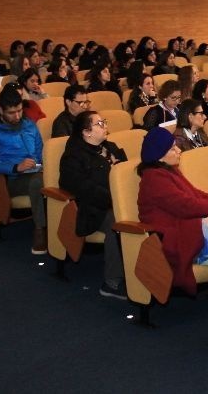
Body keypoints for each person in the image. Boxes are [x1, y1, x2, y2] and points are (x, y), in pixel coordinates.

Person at [138, 128, 208, 296]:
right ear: (159, 155)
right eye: (173, 148)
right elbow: (185, 206)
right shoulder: (154, 178)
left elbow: (194, 193)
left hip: (182, 223)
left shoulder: (168, 170)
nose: (179, 150)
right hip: (170, 233)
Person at [59, 111, 127, 299]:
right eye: (99, 123)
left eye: (103, 122)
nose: (105, 126)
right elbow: (81, 187)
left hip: (117, 201)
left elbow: (126, 172)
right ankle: (112, 281)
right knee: (118, 222)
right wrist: (113, 198)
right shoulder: (74, 156)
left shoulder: (110, 147)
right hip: (92, 209)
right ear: (86, 132)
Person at [0, 83, 47, 254]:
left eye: (19, 111)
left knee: (54, 178)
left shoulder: (29, 124)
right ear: (0, 111)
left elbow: (40, 150)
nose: (17, 116)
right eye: (11, 112)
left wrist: (41, 164)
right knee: (38, 182)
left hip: (35, 172)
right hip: (10, 179)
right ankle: (41, 231)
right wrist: (15, 167)